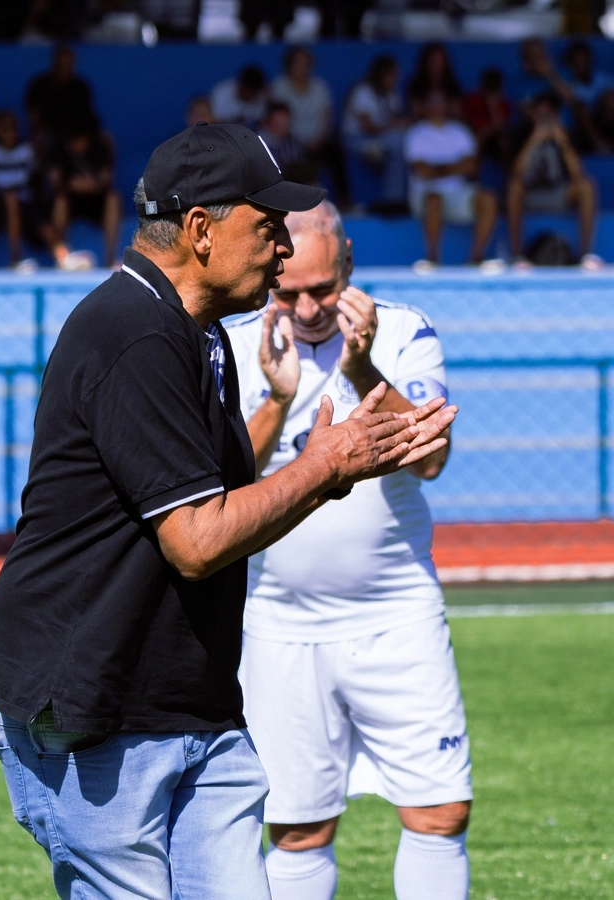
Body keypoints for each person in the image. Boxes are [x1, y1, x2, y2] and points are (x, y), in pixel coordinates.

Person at [0, 122, 456, 900]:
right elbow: (197, 540)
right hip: (99, 711)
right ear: (201, 230)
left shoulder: (194, 332)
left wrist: (319, 462)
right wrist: (325, 466)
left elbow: (229, 499)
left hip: (191, 707)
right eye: (267, 226)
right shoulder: (134, 333)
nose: (282, 248)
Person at [227, 200, 470, 900]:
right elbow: (221, 482)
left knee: (440, 812)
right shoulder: (235, 343)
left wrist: (364, 371)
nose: (307, 309)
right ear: (270, 265)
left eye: (324, 289)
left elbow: (431, 458)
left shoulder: (404, 330)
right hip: (277, 622)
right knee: (297, 829)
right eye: (289, 292)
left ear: (350, 264)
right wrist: (278, 400)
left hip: (397, 613)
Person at [404, 92, 497, 267]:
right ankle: (432, 258)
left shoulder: (460, 131)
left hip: (457, 193)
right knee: (434, 198)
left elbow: (471, 166)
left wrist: (437, 168)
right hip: (424, 194)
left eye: (441, 102)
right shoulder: (417, 133)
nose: (437, 107)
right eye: (433, 102)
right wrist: (455, 166)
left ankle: (476, 257)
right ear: (425, 106)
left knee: (488, 199)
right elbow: (423, 171)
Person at [507, 92, 597, 266]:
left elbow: (577, 173)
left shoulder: (566, 135)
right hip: (529, 195)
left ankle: (585, 254)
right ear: (532, 114)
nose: (543, 119)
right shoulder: (521, 134)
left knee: (586, 186)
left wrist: (562, 142)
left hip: (559, 193)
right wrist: (533, 140)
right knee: (514, 186)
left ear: (556, 115)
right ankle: (517, 255)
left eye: (548, 115)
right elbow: (515, 172)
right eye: (539, 114)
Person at [270, 46, 349, 206]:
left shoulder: (320, 87)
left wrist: (319, 139)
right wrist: (296, 140)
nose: (302, 67)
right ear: (289, 65)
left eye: (305, 63)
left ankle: (345, 200)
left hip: (318, 141)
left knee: (335, 151)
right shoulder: (279, 87)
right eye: (298, 63)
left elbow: (327, 117)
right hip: (289, 142)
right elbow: (277, 120)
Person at [45, 113, 122, 267]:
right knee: (60, 201)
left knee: (113, 199)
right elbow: (54, 182)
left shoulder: (100, 147)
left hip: (95, 200)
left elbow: (106, 178)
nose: (79, 144)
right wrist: (70, 185)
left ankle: (110, 258)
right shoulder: (60, 149)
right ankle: (64, 258)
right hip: (70, 200)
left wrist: (93, 185)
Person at [342, 54, 408, 204]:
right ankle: (393, 200)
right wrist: (394, 126)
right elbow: (368, 126)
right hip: (356, 139)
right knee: (396, 143)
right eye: (393, 75)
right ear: (382, 74)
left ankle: (399, 199)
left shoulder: (391, 94)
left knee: (402, 142)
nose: (396, 79)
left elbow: (396, 118)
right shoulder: (363, 91)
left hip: (380, 138)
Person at [0, 110, 36, 266]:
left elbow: (32, 178)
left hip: (25, 202)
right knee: (10, 199)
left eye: (13, 128)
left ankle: (62, 255)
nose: (10, 133)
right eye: (4, 128)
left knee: (41, 219)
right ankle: (16, 258)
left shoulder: (27, 149)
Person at [25, 45, 94, 146]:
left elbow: (87, 115)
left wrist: (82, 135)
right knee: (40, 137)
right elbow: (34, 114)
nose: (64, 67)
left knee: (105, 139)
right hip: (48, 131)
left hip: (75, 131)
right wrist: (41, 129)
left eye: (67, 63)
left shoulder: (81, 87)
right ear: (54, 62)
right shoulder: (39, 84)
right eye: (61, 63)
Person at [258, 102, 317, 185]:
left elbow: (300, 169)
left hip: (292, 185)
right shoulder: (257, 142)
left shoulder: (294, 142)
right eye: (279, 122)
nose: (284, 124)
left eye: (286, 121)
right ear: (269, 121)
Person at [463, 68, 512, 165]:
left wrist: (493, 106)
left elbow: (500, 127)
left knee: (504, 142)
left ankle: (509, 171)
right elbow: (469, 123)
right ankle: (472, 170)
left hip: (494, 135)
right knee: (479, 137)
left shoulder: (503, 104)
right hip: (476, 133)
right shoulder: (473, 100)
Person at [407, 42, 463, 121]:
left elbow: (456, 111)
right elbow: (415, 111)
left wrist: (429, 109)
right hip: (423, 125)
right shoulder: (416, 86)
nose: (436, 65)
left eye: (439, 61)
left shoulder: (453, 86)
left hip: (448, 125)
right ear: (426, 62)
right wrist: (442, 110)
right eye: (433, 60)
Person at [210, 65, 268, 132]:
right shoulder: (222, 93)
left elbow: (261, 123)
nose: (250, 94)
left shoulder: (260, 99)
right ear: (241, 85)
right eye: (248, 89)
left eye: (254, 91)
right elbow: (212, 121)